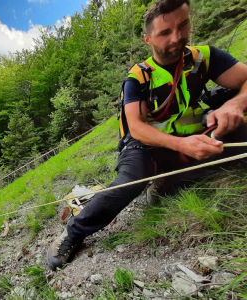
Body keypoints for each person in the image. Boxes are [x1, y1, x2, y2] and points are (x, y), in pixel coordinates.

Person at [47, 0, 247, 271]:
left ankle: (173, 179)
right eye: (165, 33)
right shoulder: (138, 77)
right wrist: (183, 145)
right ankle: (73, 233)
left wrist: (234, 105)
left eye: (183, 25)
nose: (177, 37)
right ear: (148, 39)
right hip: (144, 147)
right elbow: (137, 127)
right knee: (129, 183)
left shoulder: (204, 57)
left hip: (195, 134)